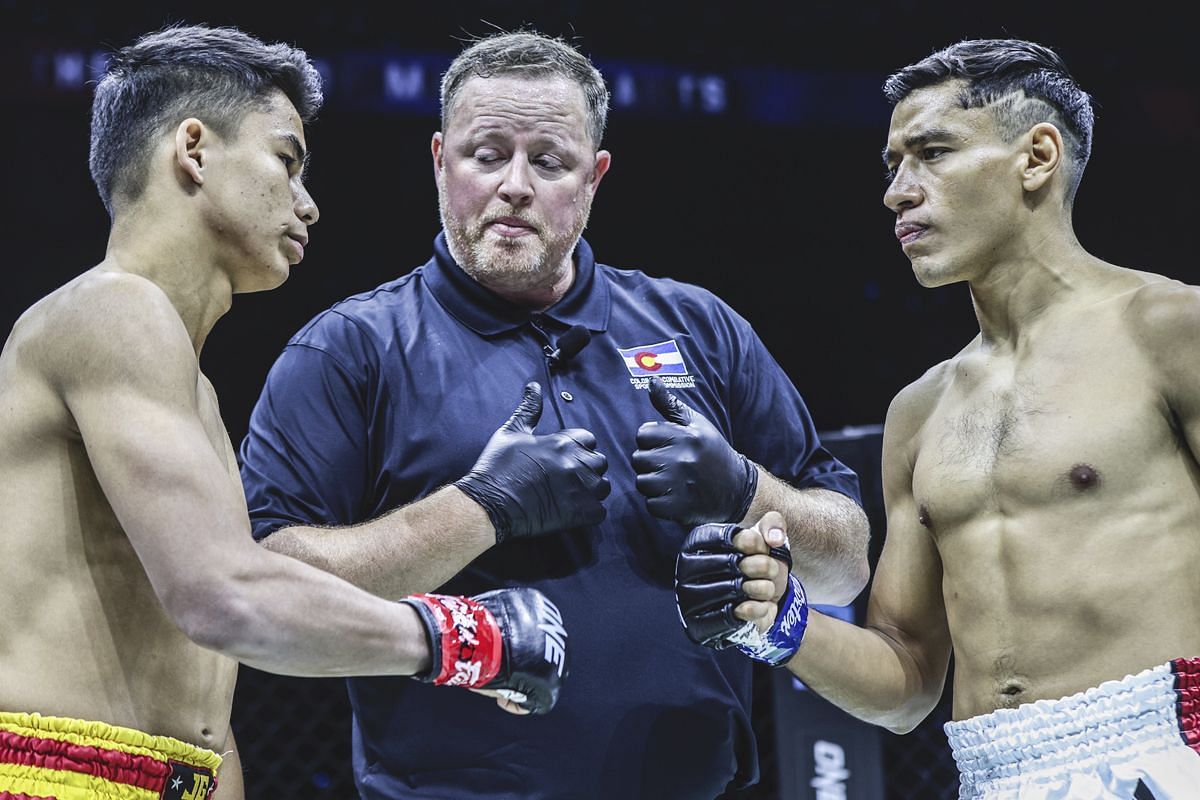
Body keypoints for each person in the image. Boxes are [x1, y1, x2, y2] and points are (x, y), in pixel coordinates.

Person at [237, 28, 870, 800]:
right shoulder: (350, 350)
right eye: (487, 154)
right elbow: (269, 587)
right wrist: (479, 509)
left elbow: (846, 560)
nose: (514, 185)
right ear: (440, 161)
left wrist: (745, 490)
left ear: (594, 176)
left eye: (548, 161)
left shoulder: (701, 329)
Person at [0, 23, 568, 800]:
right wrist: (468, 638)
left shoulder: (184, 381)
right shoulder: (113, 312)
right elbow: (225, 597)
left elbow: (199, 685)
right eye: (286, 160)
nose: (308, 205)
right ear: (193, 150)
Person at [675, 38, 1200, 799]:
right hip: (990, 775)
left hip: (1167, 754)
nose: (897, 190)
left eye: (932, 152)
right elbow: (907, 679)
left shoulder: (1169, 330)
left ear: (1038, 156)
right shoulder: (919, 412)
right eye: (893, 164)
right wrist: (775, 620)